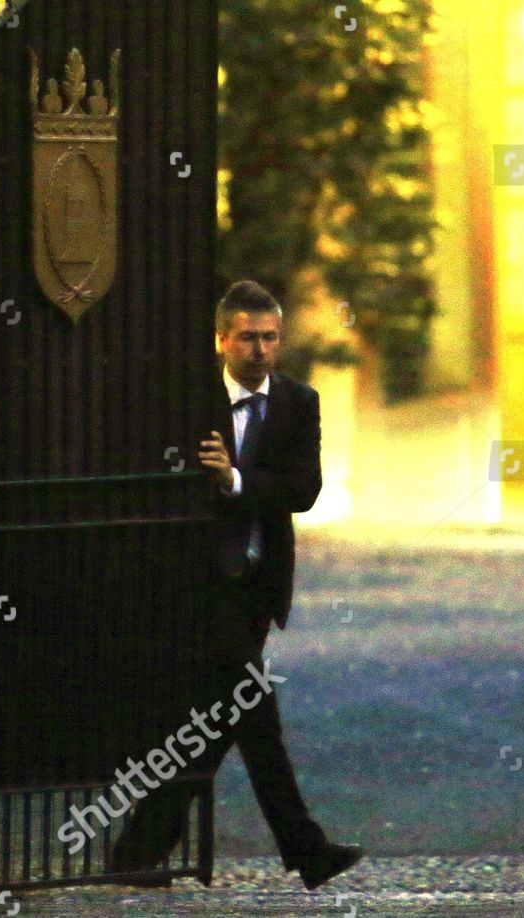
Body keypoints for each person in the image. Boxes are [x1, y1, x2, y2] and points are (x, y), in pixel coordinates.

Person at [109, 280, 363, 890]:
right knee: (256, 705)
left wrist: (238, 480)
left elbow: (304, 489)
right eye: (247, 337)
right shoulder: (189, 401)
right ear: (223, 339)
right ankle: (307, 849)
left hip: (255, 588)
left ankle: (138, 853)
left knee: (217, 721)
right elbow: (157, 481)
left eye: (270, 337)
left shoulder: (300, 403)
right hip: (199, 586)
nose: (260, 349)